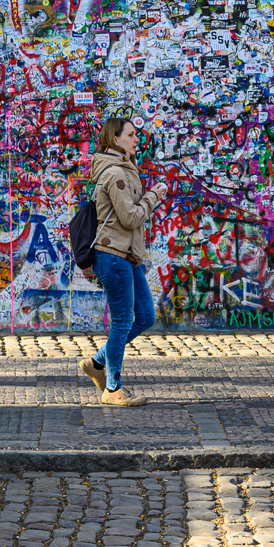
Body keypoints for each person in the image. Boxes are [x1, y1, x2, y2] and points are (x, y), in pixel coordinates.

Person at [78, 117, 168, 407]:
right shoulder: (115, 173)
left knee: (146, 317)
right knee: (122, 322)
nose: (136, 139)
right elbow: (130, 218)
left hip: (128, 257)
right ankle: (112, 388)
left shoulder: (125, 168)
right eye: (130, 135)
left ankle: (97, 363)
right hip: (113, 256)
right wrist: (153, 196)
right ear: (115, 140)